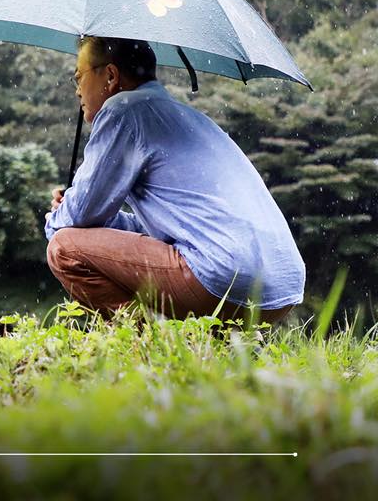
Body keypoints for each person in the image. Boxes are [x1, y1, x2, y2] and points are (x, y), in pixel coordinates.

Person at [44, 36, 304, 322]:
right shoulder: (192, 119)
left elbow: (79, 216)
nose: (78, 90)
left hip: (221, 279)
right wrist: (84, 214)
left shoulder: (124, 111)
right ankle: (213, 350)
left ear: (110, 76)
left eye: (79, 77)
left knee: (65, 247)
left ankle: (145, 350)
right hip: (280, 288)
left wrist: (56, 219)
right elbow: (169, 226)